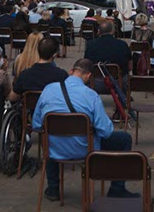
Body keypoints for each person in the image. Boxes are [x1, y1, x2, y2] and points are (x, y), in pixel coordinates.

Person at [33, 59, 139, 200]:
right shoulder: (91, 95)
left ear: (71, 71)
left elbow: (36, 124)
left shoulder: (48, 89)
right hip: (85, 149)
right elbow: (106, 132)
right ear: (88, 76)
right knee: (124, 139)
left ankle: (53, 188)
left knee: (50, 137)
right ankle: (117, 188)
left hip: (54, 150)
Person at [10, 36, 69, 101]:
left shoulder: (25, 74)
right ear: (54, 55)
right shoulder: (61, 75)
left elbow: (13, 97)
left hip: (30, 110)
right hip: (53, 110)